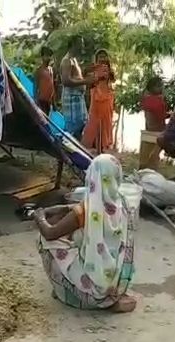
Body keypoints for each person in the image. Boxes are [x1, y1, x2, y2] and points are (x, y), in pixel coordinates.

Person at [34, 154, 136, 312]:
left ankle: (66, 290)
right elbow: (84, 208)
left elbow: (50, 233)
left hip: (92, 288)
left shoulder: (87, 210)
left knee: (43, 239)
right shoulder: (123, 202)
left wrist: (39, 217)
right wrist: (66, 208)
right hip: (116, 283)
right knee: (85, 236)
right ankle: (111, 297)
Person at [83, 49, 116, 153]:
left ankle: (102, 147)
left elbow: (112, 79)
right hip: (96, 96)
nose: (102, 59)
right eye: (100, 57)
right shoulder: (93, 69)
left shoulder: (109, 70)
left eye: (104, 56)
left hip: (106, 98)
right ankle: (96, 147)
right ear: (96, 58)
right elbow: (88, 79)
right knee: (95, 121)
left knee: (106, 122)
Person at [60, 35, 92, 139]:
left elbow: (75, 77)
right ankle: (69, 152)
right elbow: (66, 81)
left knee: (81, 126)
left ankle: (75, 150)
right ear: (74, 45)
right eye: (80, 44)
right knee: (73, 129)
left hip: (77, 98)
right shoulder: (67, 61)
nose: (82, 46)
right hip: (71, 99)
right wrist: (86, 81)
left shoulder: (73, 60)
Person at [34, 46, 56, 114]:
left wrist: (53, 102)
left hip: (49, 101)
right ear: (42, 57)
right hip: (41, 100)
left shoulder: (51, 69)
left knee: (48, 119)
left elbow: (52, 86)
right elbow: (35, 87)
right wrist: (36, 100)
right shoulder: (39, 70)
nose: (48, 58)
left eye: (50, 56)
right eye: (46, 55)